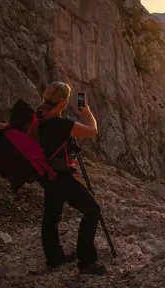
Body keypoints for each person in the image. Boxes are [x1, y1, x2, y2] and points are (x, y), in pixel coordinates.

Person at [37, 81, 106, 275]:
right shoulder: (60, 124)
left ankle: (54, 257)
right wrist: (87, 112)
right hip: (60, 176)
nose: (68, 100)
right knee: (93, 209)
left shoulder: (39, 115)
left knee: (51, 214)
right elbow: (93, 131)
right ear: (62, 102)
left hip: (45, 173)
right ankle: (86, 262)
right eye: (67, 97)